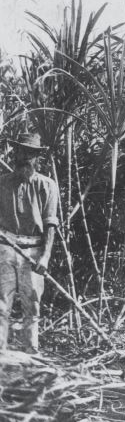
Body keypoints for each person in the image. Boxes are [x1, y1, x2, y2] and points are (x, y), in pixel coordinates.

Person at [0, 133, 59, 354]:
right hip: (5, 247)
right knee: (1, 304)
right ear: (15, 154)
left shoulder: (48, 186)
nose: (25, 157)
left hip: (33, 250)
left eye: (30, 154)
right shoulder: (2, 183)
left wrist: (45, 256)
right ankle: (1, 355)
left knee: (32, 304)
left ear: (37, 158)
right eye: (22, 152)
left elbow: (51, 224)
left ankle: (31, 352)